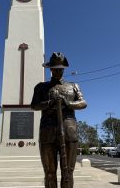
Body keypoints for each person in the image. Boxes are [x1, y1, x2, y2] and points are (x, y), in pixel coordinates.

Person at [31, 52, 87, 188]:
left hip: (69, 130)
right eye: (56, 69)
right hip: (47, 131)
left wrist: (67, 103)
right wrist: (50, 103)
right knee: (49, 172)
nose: (58, 71)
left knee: (68, 172)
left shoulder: (73, 86)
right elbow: (34, 105)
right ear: (50, 69)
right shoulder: (41, 87)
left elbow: (83, 103)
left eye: (61, 69)